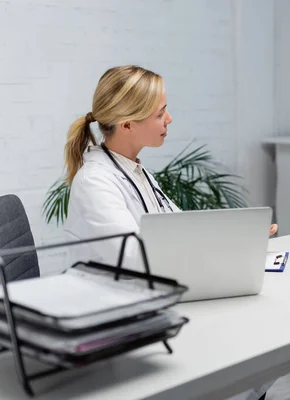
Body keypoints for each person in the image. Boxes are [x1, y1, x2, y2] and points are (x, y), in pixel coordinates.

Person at [63, 65, 276, 400]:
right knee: (246, 352)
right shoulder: (96, 181)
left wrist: (237, 237)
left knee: (258, 344)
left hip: (151, 304)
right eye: (161, 113)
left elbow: (179, 230)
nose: (170, 119)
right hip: (122, 324)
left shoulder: (136, 171)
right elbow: (140, 258)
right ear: (128, 123)